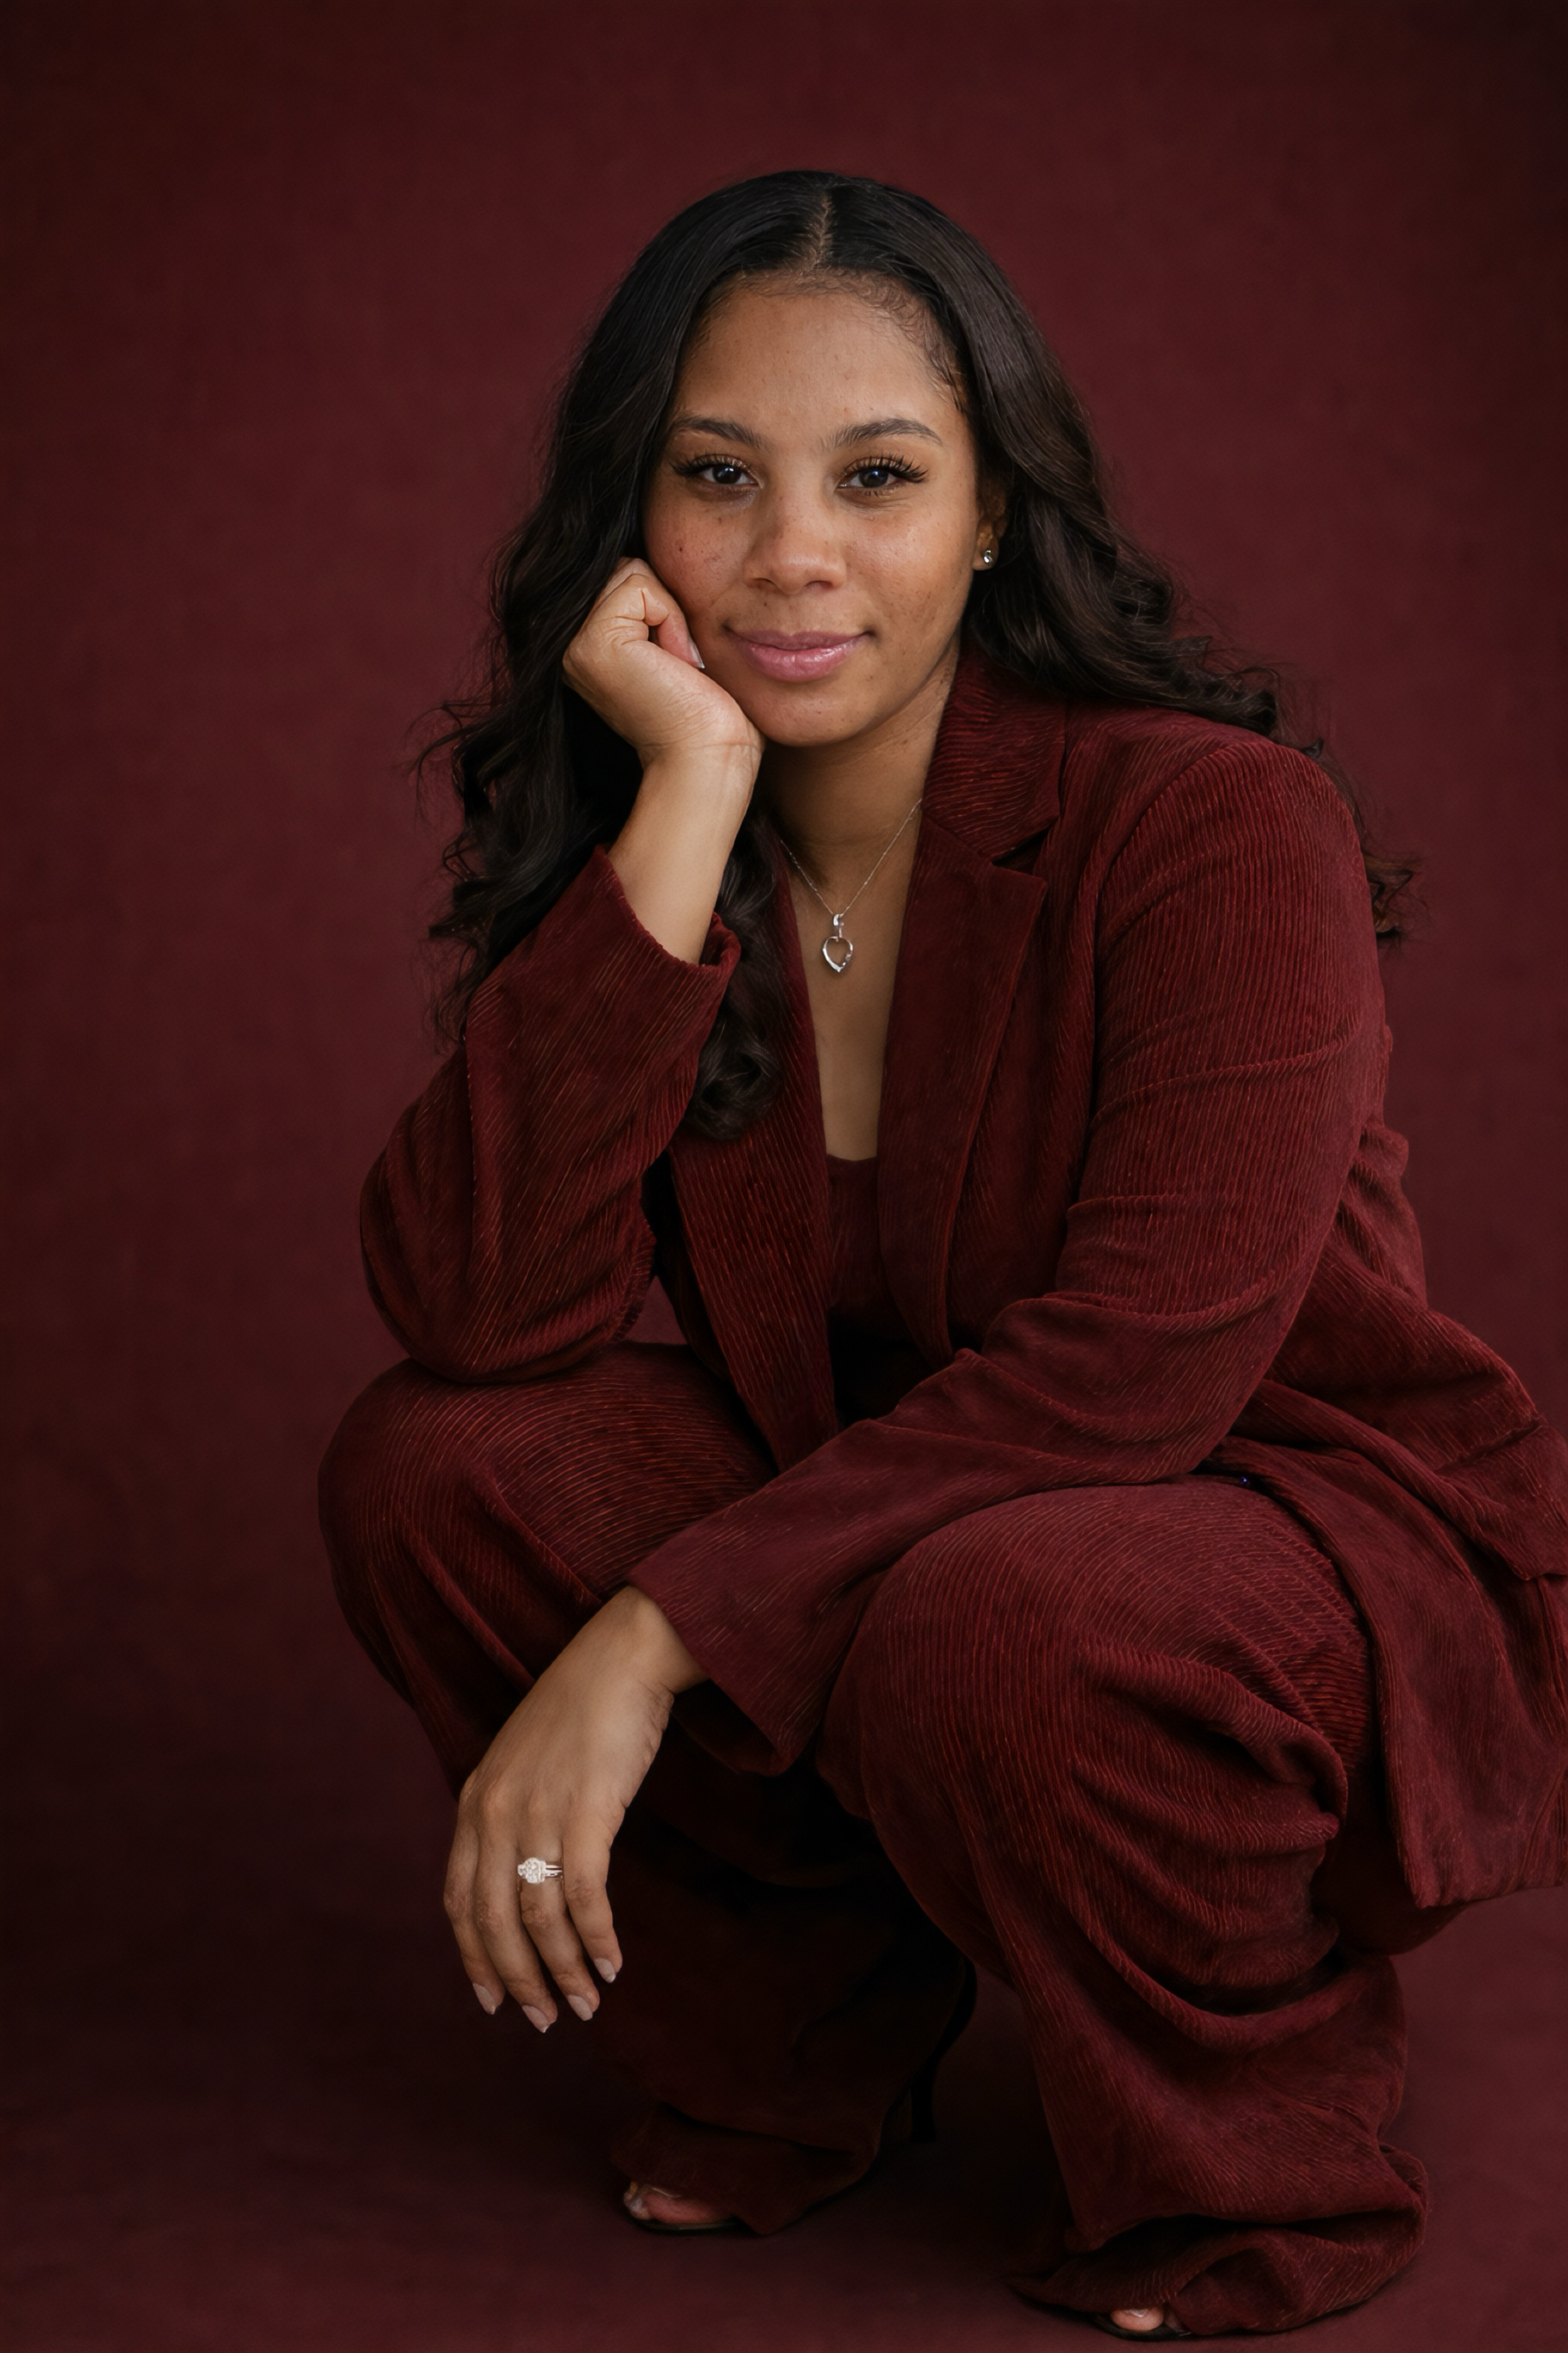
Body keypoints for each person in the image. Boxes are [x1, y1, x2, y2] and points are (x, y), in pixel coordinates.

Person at [319, 171, 1567, 2340]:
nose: (792, 552)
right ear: (638, 517)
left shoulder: (1206, 823)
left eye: (877, 478)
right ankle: (791, 2055)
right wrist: (688, 793)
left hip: (1266, 1530)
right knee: (438, 1461)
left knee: (1007, 1600)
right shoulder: (660, 830)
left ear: (994, 511)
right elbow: (474, 1306)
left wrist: (644, 1641)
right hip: (893, 1532)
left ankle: (1247, 2169)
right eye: (718, 478)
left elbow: (1134, 1378)